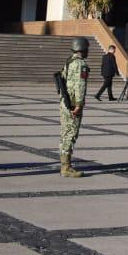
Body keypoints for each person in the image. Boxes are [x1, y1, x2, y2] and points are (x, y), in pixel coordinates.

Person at [58, 36, 90, 178]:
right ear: (82, 49)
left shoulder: (68, 62)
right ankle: (66, 167)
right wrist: (79, 104)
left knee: (65, 133)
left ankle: (65, 164)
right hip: (72, 104)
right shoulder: (80, 64)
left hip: (65, 103)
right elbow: (80, 86)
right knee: (71, 133)